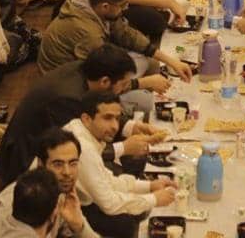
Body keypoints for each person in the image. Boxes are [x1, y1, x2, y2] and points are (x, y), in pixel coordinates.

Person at [0, 44, 163, 184]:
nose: (124, 89)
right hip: (27, 163)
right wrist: (123, 148)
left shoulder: (85, 70)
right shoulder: (67, 99)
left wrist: (132, 127)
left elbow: (101, 110)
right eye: (123, 84)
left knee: (131, 159)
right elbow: (77, 150)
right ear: (105, 81)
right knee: (114, 174)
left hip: (51, 144)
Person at [39, 0, 192, 79]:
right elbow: (97, 79)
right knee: (142, 94)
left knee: (150, 62)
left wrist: (171, 61)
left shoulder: (94, 5)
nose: (126, 8)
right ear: (105, 6)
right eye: (123, 4)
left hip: (88, 66)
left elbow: (126, 34)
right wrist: (143, 84)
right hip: (69, 83)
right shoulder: (87, 33)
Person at [66, 92, 176, 238]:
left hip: (79, 203)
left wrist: (149, 186)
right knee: (128, 222)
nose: (115, 126)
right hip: (65, 213)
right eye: (107, 118)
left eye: (117, 119)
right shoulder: (83, 147)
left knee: (138, 209)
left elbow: (107, 180)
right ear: (86, 119)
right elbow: (109, 204)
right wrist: (154, 199)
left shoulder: (82, 130)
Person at [0, 129, 96, 238]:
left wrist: (79, 226)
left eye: (73, 163)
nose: (67, 172)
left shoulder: (62, 192)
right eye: (58, 164)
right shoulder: (18, 201)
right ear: (41, 164)